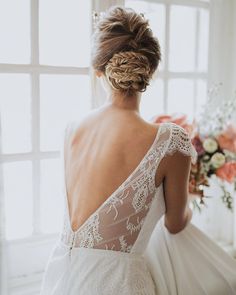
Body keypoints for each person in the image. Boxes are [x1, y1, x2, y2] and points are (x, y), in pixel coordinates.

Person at [40, 6, 236, 295]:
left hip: (61, 278)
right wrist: (187, 197)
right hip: (119, 284)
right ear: (150, 71)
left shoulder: (71, 129)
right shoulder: (170, 141)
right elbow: (175, 224)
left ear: (98, 71)